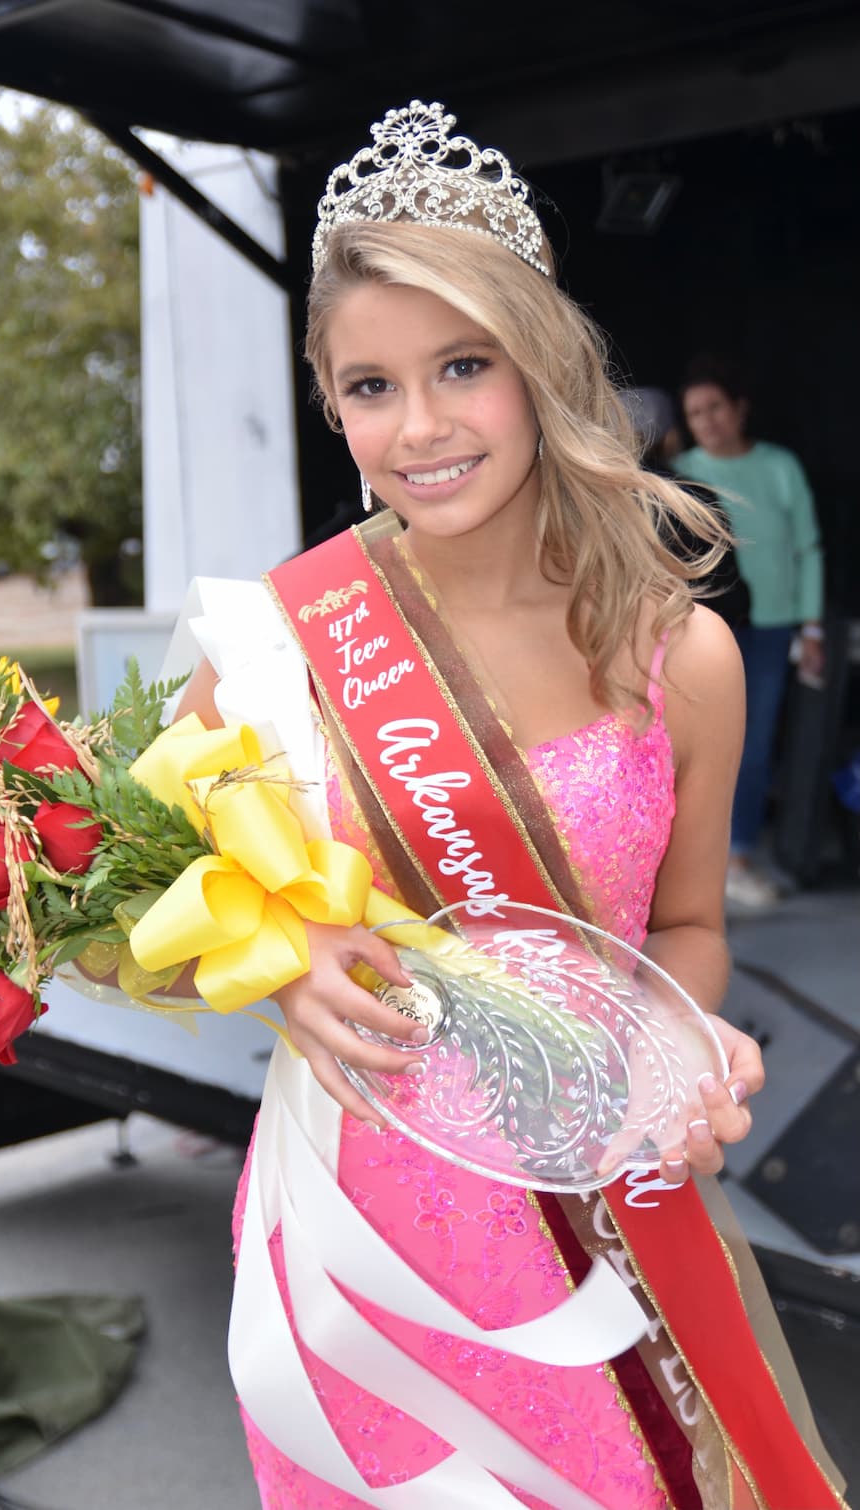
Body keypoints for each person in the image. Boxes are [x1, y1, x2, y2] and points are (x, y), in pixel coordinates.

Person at [175, 103, 845, 1509]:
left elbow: (687, 925)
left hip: (602, 1238)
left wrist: (685, 1043)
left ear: (540, 362)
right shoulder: (283, 645)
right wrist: (280, 962)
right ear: (329, 400)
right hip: (355, 1251)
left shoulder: (686, 657)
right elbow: (144, 906)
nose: (417, 427)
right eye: (369, 386)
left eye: (461, 366)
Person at [674, 358, 824, 908]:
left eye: (715, 407)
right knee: (688, 747)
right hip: (702, 630)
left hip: (769, 626)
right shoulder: (680, 472)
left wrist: (810, 626)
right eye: (695, 412)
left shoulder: (778, 466)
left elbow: (807, 549)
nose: (708, 420)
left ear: (738, 409)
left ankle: (735, 857)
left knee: (753, 744)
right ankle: (687, 865)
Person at [621, 385, 750, 629]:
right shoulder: (696, 497)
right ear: (671, 436)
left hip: (618, 641)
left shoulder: (591, 502)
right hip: (695, 639)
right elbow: (728, 592)